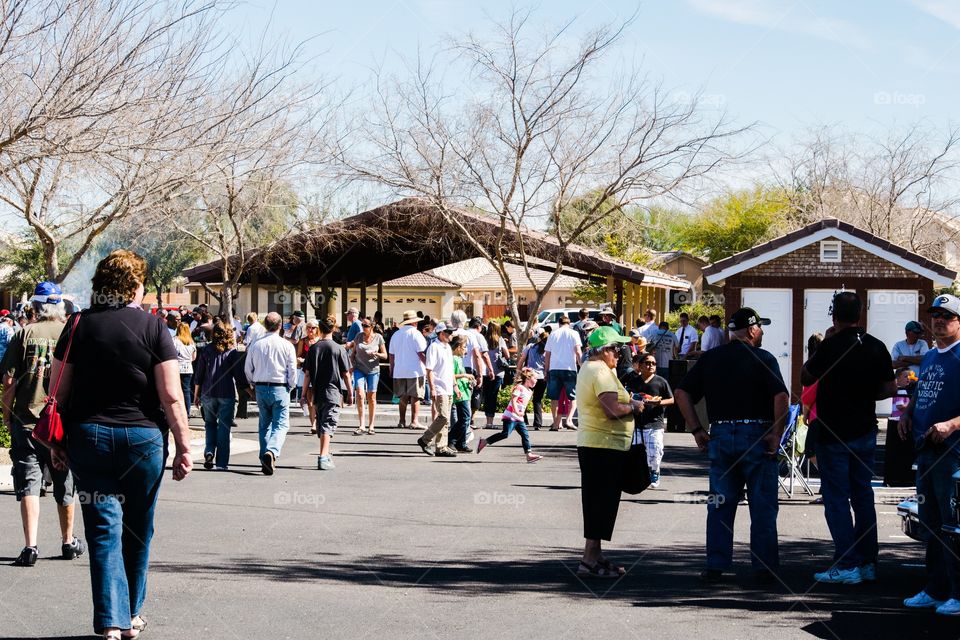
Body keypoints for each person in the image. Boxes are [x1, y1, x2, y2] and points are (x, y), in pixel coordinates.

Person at [51, 250, 192, 639]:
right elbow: (171, 395)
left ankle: (111, 621)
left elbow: (57, 391)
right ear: (134, 285)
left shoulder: (78, 324)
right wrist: (184, 445)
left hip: (89, 436)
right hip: (143, 440)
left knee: (102, 529)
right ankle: (130, 615)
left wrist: (56, 442)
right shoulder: (152, 327)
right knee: (138, 529)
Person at [675, 307, 789, 585]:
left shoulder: (711, 359)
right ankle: (763, 567)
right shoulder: (764, 358)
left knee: (720, 503)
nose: (761, 332)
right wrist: (776, 434)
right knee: (762, 504)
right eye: (760, 328)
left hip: (722, 433)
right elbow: (781, 396)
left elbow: (681, 392)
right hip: (757, 435)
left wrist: (696, 429)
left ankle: (716, 564)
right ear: (751, 330)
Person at [801, 292, 895, 585]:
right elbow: (890, 388)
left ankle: (847, 562)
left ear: (834, 316)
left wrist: (823, 345)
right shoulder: (876, 346)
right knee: (863, 496)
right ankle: (867, 562)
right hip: (865, 430)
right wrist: (867, 394)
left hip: (832, 433)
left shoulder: (829, 346)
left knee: (837, 499)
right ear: (859, 316)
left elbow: (805, 377)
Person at [3, 281, 84, 567]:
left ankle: (30, 546)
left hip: (27, 421)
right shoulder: (72, 334)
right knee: (65, 483)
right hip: (62, 424)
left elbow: (10, 380)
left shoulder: (24, 333)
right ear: (60, 305)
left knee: (28, 483)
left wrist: (6, 413)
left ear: (35, 306)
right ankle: (67, 541)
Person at [898, 294, 960, 615]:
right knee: (931, 524)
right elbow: (921, 392)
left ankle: (958, 593)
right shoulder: (932, 356)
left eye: (946, 316)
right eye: (935, 315)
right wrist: (908, 413)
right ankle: (935, 589)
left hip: (953, 455)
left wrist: (951, 424)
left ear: (958, 322)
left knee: (954, 526)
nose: (938, 320)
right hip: (925, 451)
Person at [574, 326, 645, 578]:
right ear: (604, 350)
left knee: (599, 502)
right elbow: (612, 409)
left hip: (600, 445)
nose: (620, 353)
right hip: (603, 446)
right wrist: (634, 406)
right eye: (616, 348)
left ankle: (595, 555)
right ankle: (588, 561)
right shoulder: (601, 372)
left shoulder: (592, 369)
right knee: (600, 503)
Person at [244, 311, 298, 475]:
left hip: (260, 387)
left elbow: (248, 368)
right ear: (280, 325)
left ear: (265, 325)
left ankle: (264, 456)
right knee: (281, 424)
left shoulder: (256, 344)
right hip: (280, 386)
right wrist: (291, 385)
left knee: (264, 424)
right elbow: (292, 369)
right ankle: (272, 451)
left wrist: (252, 383)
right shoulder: (286, 345)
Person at [193, 321, 246, 471]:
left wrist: (196, 395)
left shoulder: (206, 351)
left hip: (208, 393)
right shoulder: (232, 352)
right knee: (224, 428)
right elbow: (239, 375)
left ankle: (209, 452)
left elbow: (199, 375)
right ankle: (221, 463)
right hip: (227, 393)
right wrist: (248, 390)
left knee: (209, 424)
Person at [303, 318, 352, 471]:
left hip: (318, 391)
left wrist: (303, 393)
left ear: (320, 330)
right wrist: (350, 392)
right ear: (333, 329)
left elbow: (307, 374)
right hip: (333, 391)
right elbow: (346, 374)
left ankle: (325, 453)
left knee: (322, 422)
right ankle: (323, 456)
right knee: (328, 424)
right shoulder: (339, 349)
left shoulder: (314, 348)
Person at [621, 352, 674, 488]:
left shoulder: (661, 381)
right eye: (648, 363)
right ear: (640, 366)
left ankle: (654, 472)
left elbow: (672, 399)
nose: (651, 366)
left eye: (654, 363)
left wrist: (658, 403)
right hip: (637, 423)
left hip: (655, 423)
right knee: (636, 453)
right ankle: (639, 475)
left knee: (655, 451)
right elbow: (625, 396)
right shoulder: (633, 381)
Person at [477, 367, 543, 462]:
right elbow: (514, 399)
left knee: (525, 435)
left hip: (519, 418)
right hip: (511, 416)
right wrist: (516, 411)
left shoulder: (529, 391)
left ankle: (529, 454)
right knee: (505, 434)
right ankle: (484, 441)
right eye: (535, 378)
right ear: (528, 378)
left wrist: (521, 414)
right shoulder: (520, 388)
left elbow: (523, 404)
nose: (536, 381)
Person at [416, 322, 458, 457]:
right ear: (440, 333)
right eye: (448, 332)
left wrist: (455, 385)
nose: (450, 335)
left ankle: (441, 447)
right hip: (440, 387)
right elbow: (429, 370)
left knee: (446, 420)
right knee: (444, 416)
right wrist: (432, 388)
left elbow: (451, 369)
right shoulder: (434, 347)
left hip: (448, 387)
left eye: (451, 333)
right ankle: (425, 439)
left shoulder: (447, 348)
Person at [388, 310, 427, 430]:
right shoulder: (416, 334)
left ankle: (401, 420)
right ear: (415, 322)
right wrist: (429, 366)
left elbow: (391, 355)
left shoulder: (396, 334)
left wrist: (392, 369)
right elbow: (421, 353)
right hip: (415, 370)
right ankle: (414, 421)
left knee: (403, 397)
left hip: (399, 370)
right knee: (415, 396)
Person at [545, 315, 582, 430]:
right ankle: (569, 420)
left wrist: (546, 370)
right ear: (569, 323)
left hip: (554, 368)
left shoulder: (553, 334)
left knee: (554, 398)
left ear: (559, 323)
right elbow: (578, 352)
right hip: (570, 368)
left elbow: (547, 354)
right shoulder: (574, 333)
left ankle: (556, 423)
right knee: (573, 397)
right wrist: (582, 365)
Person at [351, 317, 387, 435]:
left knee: (371, 397)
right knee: (360, 395)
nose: (363, 328)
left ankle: (371, 425)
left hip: (373, 370)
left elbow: (385, 355)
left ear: (371, 327)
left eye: (366, 326)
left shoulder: (378, 338)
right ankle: (361, 425)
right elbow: (353, 353)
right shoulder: (358, 336)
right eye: (362, 325)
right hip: (359, 369)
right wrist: (352, 365)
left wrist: (376, 354)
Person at [516, 328, 549, 430]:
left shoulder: (530, 347)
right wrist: (546, 374)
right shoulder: (547, 351)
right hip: (541, 376)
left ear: (539, 338)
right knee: (537, 400)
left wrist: (518, 372)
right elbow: (548, 364)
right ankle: (537, 423)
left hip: (529, 375)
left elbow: (521, 360)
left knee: (524, 398)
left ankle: (523, 419)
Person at [448, 335, 475, 452]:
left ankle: (461, 442)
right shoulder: (453, 358)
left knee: (465, 418)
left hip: (464, 391)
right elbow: (451, 375)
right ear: (458, 347)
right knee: (465, 417)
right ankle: (453, 440)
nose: (466, 350)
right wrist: (465, 375)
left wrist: (468, 379)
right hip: (459, 392)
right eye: (464, 347)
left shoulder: (459, 359)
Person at [482, 320, 510, 429]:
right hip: (498, 372)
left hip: (486, 371)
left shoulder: (484, 339)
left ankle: (487, 421)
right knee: (493, 397)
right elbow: (507, 355)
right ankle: (490, 422)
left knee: (487, 397)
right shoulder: (500, 340)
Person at [297, 319, 322, 428]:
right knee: (310, 400)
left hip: (319, 373)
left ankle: (318, 421)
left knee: (318, 400)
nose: (310, 330)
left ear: (317, 329)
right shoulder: (303, 341)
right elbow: (298, 356)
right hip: (306, 372)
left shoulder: (321, 341)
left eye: (313, 328)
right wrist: (301, 360)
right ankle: (313, 425)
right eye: (308, 327)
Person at [172, 321, 196, 411]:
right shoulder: (191, 342)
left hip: (177, 367)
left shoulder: (174, 340)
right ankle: (187, 411)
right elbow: (194, 357)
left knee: (176, 390)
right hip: (188, 368)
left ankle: (177, 410)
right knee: (186, 390)